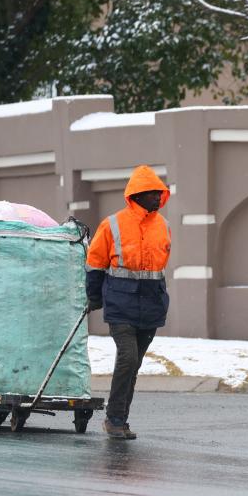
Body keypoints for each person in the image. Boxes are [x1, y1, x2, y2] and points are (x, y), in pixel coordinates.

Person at [85, 165, 171, 440]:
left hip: (151, 304)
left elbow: (157, 269)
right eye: (154, 193)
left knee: (133, 365)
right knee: (128, 358)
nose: (159, 197)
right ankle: (114, 419)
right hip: (120, 303)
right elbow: (95, 263)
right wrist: (94, 297)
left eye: (161, 193)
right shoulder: (112, 224)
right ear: (138, 195)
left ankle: (119, 420)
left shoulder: (163, 225)